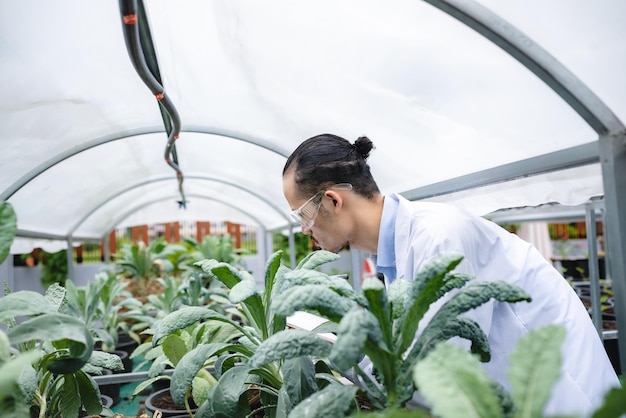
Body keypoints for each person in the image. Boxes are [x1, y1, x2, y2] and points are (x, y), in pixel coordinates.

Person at [282, 133, 621, 417]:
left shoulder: (440, 238)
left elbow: (437, 380)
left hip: (562, 402)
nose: (304, 229)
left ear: (332, 201)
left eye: (302, 213)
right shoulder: (397, 252)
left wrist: (339, 349)